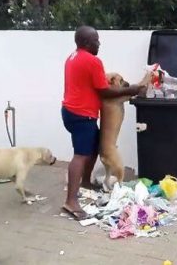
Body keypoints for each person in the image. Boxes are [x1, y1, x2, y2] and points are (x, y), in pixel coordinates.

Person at [61, 26, 145, 220]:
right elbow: (105, 91)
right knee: (81, 155)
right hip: (82, 114)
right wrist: (131, 89)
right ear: (87, 43)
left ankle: (85, 183)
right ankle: (71, 201)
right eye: (96, 40)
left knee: (92, 147)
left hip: (71, 110)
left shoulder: (73, 57)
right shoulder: (93, 61)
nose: (99, 43)